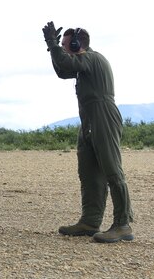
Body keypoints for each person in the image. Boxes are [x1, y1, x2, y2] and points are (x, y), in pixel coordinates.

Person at [42, 21, 134, 243]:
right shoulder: (82, 64)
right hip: (89, 118)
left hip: (103, 115)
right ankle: (90, 221)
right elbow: (62, 70)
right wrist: (52, 47)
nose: (63, 49)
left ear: (76, 45)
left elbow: (64, 61)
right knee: (88, 170)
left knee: (112, 169)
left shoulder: (92, 59)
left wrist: (52, 43)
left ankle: (122, 225)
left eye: (65, 45)